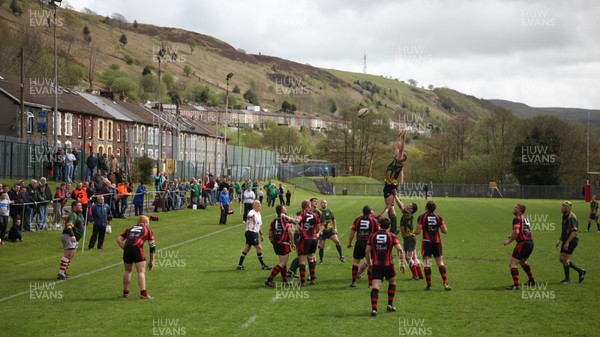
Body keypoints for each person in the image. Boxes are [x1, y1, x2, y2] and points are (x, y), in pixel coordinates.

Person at [366, 217, 406, 317]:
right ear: (389, 226)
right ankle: (390, 304)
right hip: (389, 265)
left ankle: (374, 309)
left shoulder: (373, 235)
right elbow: (400, 250)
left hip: (376, 265)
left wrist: (369, 263)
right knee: (392, 283)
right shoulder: (392, 236)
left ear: (379, 224)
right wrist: (402, 263)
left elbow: (367, 251)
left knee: (375, 287)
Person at [415, 201, 451, 291]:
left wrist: (412, 232)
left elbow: (418, 231)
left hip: (427, 242)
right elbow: (445, 230)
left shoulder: (422, 217)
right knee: (440, 262)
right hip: (437, 242)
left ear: (426, 207)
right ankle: (446, 283)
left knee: (427, 263)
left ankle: (429, 285)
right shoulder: (439, 217)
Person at [117, 215, 155, 299]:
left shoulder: (129, 228)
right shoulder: (148, 230)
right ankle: (143, 293)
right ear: (145, 223)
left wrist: (125, 248)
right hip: (137, 249)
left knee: (127, 271)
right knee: (141, 272)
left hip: (127, 249)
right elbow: (152, 247)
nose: (148, 225)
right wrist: (151, 261)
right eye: (148, 223)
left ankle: (125, 292)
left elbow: (119, 239)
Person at [503, 203, 536, 290]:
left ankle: (516, 285)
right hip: (530, 243)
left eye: (516, 207)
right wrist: (513, 236)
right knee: (522, 262)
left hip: (523, 244)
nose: (514, 208)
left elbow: (517, 231)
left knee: (513, 264)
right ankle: (532, 280)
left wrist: (509, 241)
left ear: (519, 210)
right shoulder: (526, 218)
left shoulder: (516, 218)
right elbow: (524, 231)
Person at [348, 205, 380, 288]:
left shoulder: (357, 219)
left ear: (363, 212)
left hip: (359, 242)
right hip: (369, 244)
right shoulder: (374, 220)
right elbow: (379, 232)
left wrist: (349, 242)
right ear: (370, 212)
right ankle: (370, 284)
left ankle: (353, 282)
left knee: (356, 262)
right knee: (370, 262)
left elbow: (352, 232)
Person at [265, 205, 297, 287]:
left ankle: (284, 281)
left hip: (277, 244)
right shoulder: (284, 219)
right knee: (282, 263)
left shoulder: (274, 220)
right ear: (282, 211)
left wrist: (273, 242)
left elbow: (270, 233)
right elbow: (290, 232)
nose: (286, 208)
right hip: (283, 244)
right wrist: (293, 243)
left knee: (283, 263)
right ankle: (269, 280)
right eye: (284, 207)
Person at [383, 130, 407, 236]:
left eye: (400, 155)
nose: (398, 154)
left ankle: (392, 227)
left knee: (390, 206)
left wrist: (403, 138)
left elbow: (401, 148)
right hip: (387, 185)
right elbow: (397, 147)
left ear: (402, 159)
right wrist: (398, 136)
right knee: (390, 207)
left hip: (391, 185)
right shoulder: (395, 159)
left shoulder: (399, 163)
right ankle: (393, 228)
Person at [557, 201, 586, 284]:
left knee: (564, 258)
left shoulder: (571, 217)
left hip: (572, 241)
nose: (561, 207)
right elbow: (565, 230)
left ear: (567, 208)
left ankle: (568, 279)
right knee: (562, 259)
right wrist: (559, 240)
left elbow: (574, 232)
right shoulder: (564, 216)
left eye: (563, 206)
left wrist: (567, 243)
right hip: (566, 240)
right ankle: (580, 271)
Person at [394, 194, 422, 280]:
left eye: (409, 205)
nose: (407, 205)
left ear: (411, 209)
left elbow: (400, 206)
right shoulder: (408, 213)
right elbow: (401, 204)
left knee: (408, 258)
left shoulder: (408, 214)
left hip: (409, 239)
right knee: (414, 257)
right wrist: (398, 197)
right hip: (411, 238)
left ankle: (415, 276)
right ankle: (420, 274)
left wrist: (395, 196)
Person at [236, 200, 270, 271]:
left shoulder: (259, 213)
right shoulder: (252, 212)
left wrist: (261, 234)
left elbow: (259, 225)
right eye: (257, 204)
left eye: (259, 204)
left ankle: (239, 265)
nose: (259, 205)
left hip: (254, 233)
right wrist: (251, 217)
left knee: (247, 248)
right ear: (253, 206)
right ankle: (263, 265)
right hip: (251, 233)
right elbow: (248, 216)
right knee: (259, 248)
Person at [57, 201, 85, 280]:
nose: (81, 207)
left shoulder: (80, 215)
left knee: (71, 255)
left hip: (74, 238)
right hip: (69, 236)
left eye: (81, 205)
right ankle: (61, 273)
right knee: (68, 255)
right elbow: (69, 226)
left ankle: (63, 271)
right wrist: (72, 235)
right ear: (74, 207)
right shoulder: (73, 215)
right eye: (79, 205)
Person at [296, 199, 321, 286]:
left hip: (305, 239)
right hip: (313, 239)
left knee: (302, 260)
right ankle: (312, 279)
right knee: (311, 258)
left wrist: (300, 232)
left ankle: (302, 282)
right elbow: (318, 228)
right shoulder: (315, 215)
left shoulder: (301, 213)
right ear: (308, 206)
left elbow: (298, 222)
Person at [317, 199, 344, 264]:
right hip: (322, 231)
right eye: (323, 203)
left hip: (329, 230)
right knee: (322, 246)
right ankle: (321, 260)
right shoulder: (318, 212)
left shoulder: (329, 211)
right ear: (321, 204)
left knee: (337, 241)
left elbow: (333, 219)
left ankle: (341, 256)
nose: (324, 204)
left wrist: (335, 228)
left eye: (325, 203)